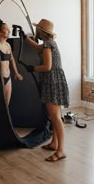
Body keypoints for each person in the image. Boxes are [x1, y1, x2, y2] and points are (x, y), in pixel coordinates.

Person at [23, 19, 69, 162]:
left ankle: (61, 150)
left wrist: (33, 68)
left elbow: (47, 67)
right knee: (54, 116)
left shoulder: (48, 45)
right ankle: (54, 143)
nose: (36, 32)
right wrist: (24, 38)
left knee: (55, 117)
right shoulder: (48, 44)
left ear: (41, 32)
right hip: (54, 80)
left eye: (37, 30)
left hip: (52, 81)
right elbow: (38, 47)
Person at [0, 18, 23, 105]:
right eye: (6, 29)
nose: (9, 31)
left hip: (8, 78)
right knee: (0, 105)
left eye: (8, 29)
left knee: (6, 104)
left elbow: (12, 59)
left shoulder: (8, 45)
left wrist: (16, 73)